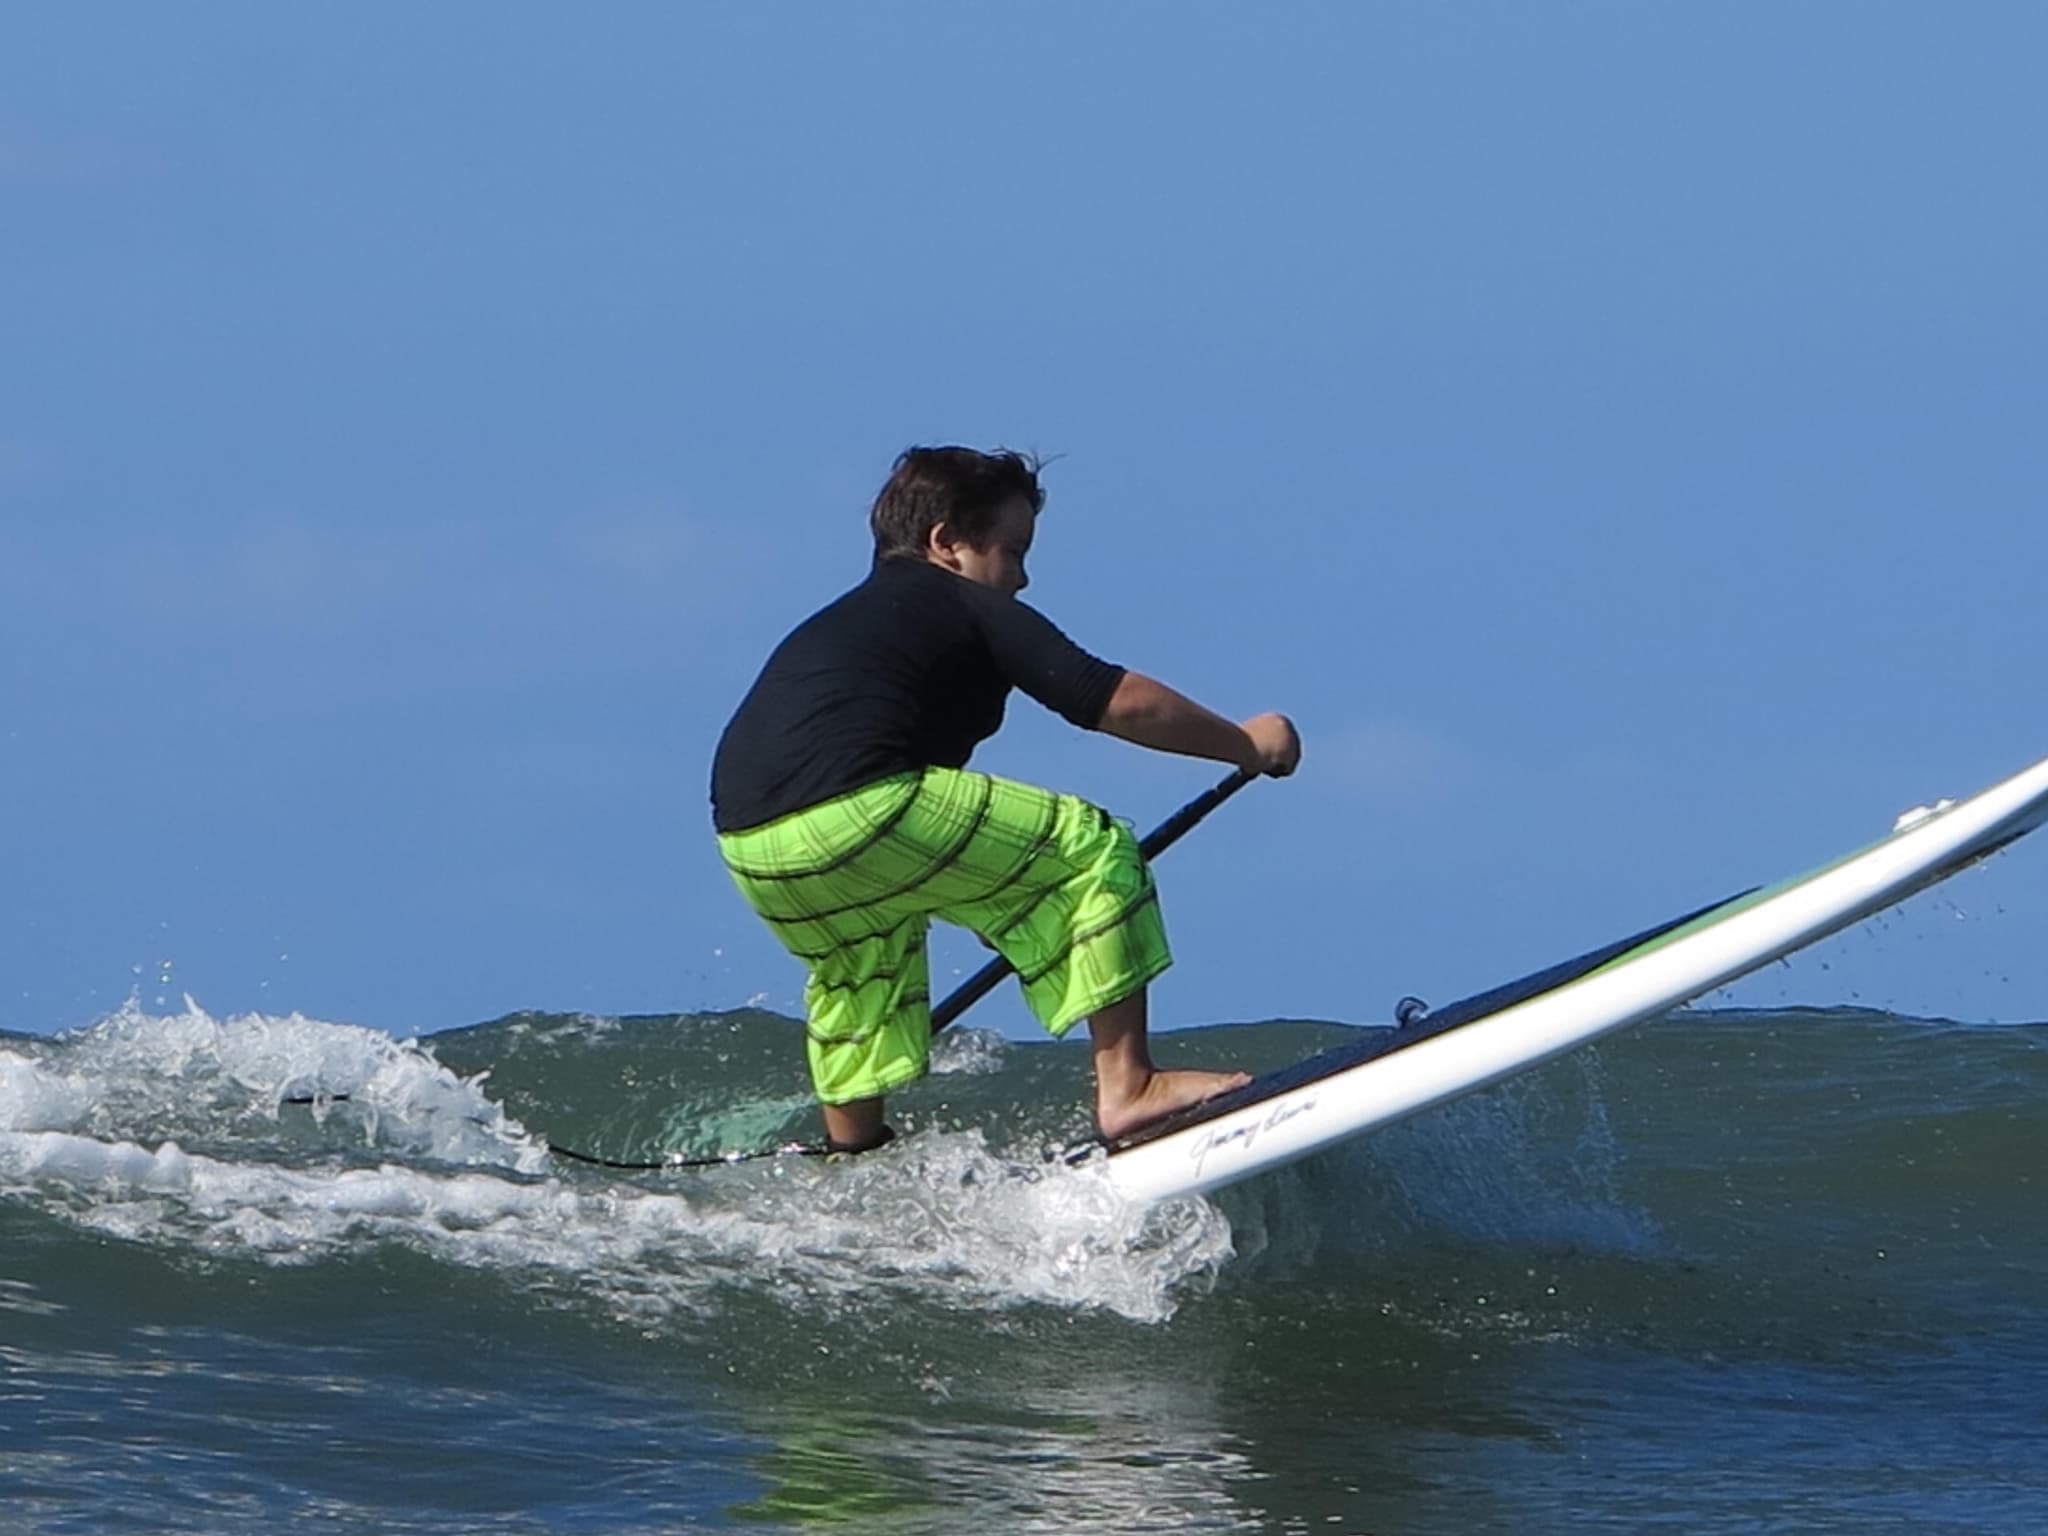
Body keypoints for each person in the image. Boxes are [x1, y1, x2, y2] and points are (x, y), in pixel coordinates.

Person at [710, 446, 1301, 1153]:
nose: (1021, 577)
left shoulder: (855, 627)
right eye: (1012, 551)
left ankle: (852, 1152)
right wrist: (1244, 742)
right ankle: (1130, 1088)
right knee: (1091, 846)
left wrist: (1004, 906)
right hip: (862, 807)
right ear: (946, 543)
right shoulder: (959, 600)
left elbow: (938, 841)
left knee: (863, 962)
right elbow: (1115, 701)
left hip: (755, 846)